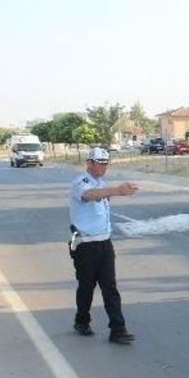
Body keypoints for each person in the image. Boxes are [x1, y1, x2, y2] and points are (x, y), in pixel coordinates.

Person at [69, 147, 139, 344]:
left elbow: (100, 194)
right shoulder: (80, 182)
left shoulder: (101, 183)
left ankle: (118, 329)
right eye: (100, 163)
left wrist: (112, 191)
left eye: (106, 163)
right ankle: (82, 320)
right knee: (86, 286)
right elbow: (89, 195)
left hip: (104, 243)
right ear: (89, 163)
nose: (104, 167)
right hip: (85, 245)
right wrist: (115, 191)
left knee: (110, 287)